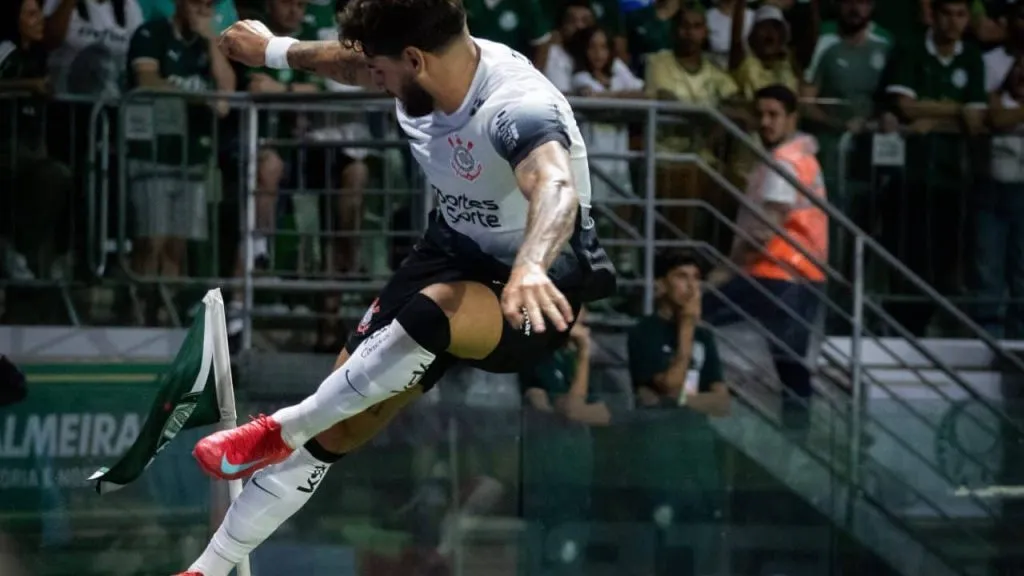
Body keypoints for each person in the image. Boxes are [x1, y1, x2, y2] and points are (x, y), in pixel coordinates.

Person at [176, 1, 615, 574]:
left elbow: (555, 184)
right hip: (451, 247)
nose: (369, 79)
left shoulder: (516, 105)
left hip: (537, 284)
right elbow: (350, 63)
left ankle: (283, 427)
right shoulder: (418, 66)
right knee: (344, 418)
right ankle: (208, 568)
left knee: (436, 312)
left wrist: (532, 262)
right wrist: (273, 51)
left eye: (379, 70)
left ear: (413, 58)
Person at [705, 84, 827, 435]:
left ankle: (689, 396)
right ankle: (798, 436)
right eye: (760, 114)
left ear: (792, 118)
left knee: (693, 313)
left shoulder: (784, 162)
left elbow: (763, 230)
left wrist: (724, 272)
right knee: (791, 366)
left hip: (773, 273)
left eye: (774, 115)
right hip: (803, 276)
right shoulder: (804, 158)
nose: (765, 122)